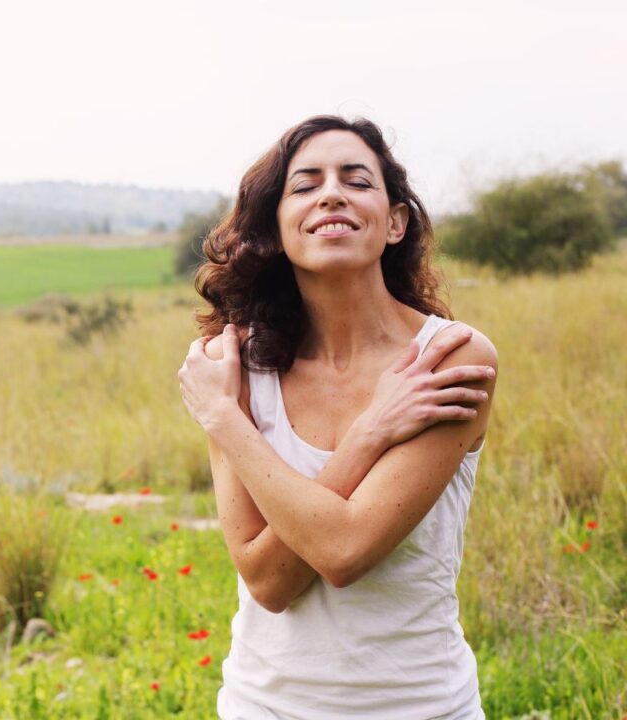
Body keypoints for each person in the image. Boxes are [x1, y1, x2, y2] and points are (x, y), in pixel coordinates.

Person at [177, 116, 497, 719]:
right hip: (265, 706)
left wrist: (226, 419)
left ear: (396, 221)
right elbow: (268, 584)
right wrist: (369, 431)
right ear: (275, 228)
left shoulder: (450, 358)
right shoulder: (232, 368)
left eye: (356, 181)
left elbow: (344, 551)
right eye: (305, 185)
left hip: (420, 707)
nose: (331, 194)